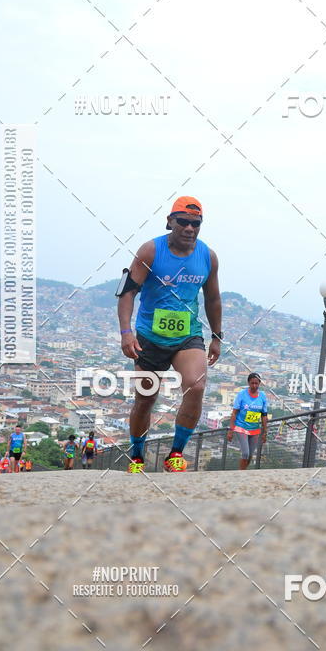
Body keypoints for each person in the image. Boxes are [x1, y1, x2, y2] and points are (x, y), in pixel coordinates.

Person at [117, 196, 222, 473]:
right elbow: (128, 292)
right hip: (149, 337)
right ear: (170, 222)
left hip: (187, 335)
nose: (189, 228)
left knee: (196, 386)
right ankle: (137, 455)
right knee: (146, 399)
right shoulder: (150, 251)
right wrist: (126, 333)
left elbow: (213, 299)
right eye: (183, 222)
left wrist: (217, 337)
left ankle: (176, 453)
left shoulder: (207, 256)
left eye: (196, 223)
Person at [228, 373, 268, 470]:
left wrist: (265, 432)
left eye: (256, 383)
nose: (254, 386)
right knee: (245, 453)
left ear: (259, 384)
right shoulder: (242, 394)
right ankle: (240, 474)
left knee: (250, 455)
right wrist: (231, 430)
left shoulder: (262, 396)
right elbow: (234, 413)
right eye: (252, 383)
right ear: (248, 383)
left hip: (254, 429)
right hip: (241, 427)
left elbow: (264, 416)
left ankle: (243, 471)